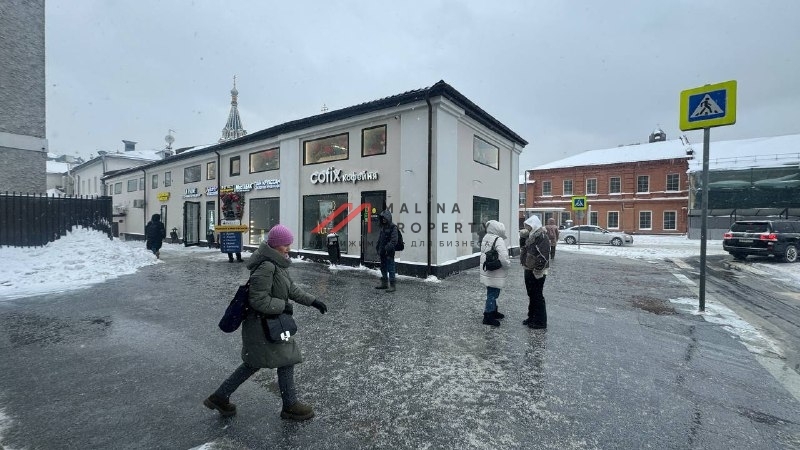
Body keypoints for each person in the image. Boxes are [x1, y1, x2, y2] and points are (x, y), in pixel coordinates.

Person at [204, 224, 328, 421]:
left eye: (289, 244)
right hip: (262, 325)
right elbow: (258, 300)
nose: (288, 248)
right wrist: (283, 306)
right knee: (281, 359)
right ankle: (290, 406)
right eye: (285, 245)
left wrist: (313, 301)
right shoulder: (267, 266)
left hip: (270, 323)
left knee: (255, 363)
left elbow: (292, 289)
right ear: (275, 245)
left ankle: (220, 397)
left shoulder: (278, 264)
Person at [519, 216, 550, 329]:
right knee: (531, 294)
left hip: (538, 270)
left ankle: (540, 321)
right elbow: (523, 249)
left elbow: (544, 255)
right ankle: (531, 317)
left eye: (528, 225)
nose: (526, 227)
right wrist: (522, 239)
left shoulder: (542, 236)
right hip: (528, 268)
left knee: (537, 295)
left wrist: (538, 270)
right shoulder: (530, 236)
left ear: (534, 225)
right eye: (526, 226)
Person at [479, 220, 511, 327]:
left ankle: (493, 311)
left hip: (488, 269)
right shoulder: (498, 239)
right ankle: (488, 315)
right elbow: (503, 257)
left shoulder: (486, 237)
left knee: (492, 291)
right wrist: (507, 265)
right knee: (493, 293)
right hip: (496, 271)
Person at [374, 209, 399, 293]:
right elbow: (380, 239)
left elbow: (394, 241)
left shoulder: (393, 227)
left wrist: (386, 248)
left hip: (389, 253)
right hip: (382, 252)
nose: (383, 219)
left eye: (385, 218)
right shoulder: (383, 227)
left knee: (391, 268)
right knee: (383, 268)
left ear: (388, 218)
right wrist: (378, 247)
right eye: (382, 218)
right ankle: (384, 284)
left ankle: (392, 286)